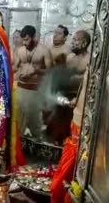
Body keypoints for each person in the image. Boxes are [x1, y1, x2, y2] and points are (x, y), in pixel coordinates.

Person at [50, 65, 89, 203]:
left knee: (61, 185)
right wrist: (76, 102)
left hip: (84, 132)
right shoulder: (93, 65)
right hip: (77, 127)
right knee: (59, 184)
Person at [13, 25, 52, 139]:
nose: (24, 42)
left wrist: (37, 71)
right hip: (21, 88)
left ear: (34, 36)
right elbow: (15, 67)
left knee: (35, 120)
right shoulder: (20, 50)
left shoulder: (44, 51)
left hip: (35, 90)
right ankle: (19, 147)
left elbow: (50, 71)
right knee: (19, 120)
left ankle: (37, 144)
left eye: (27, 39)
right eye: (23, 39)